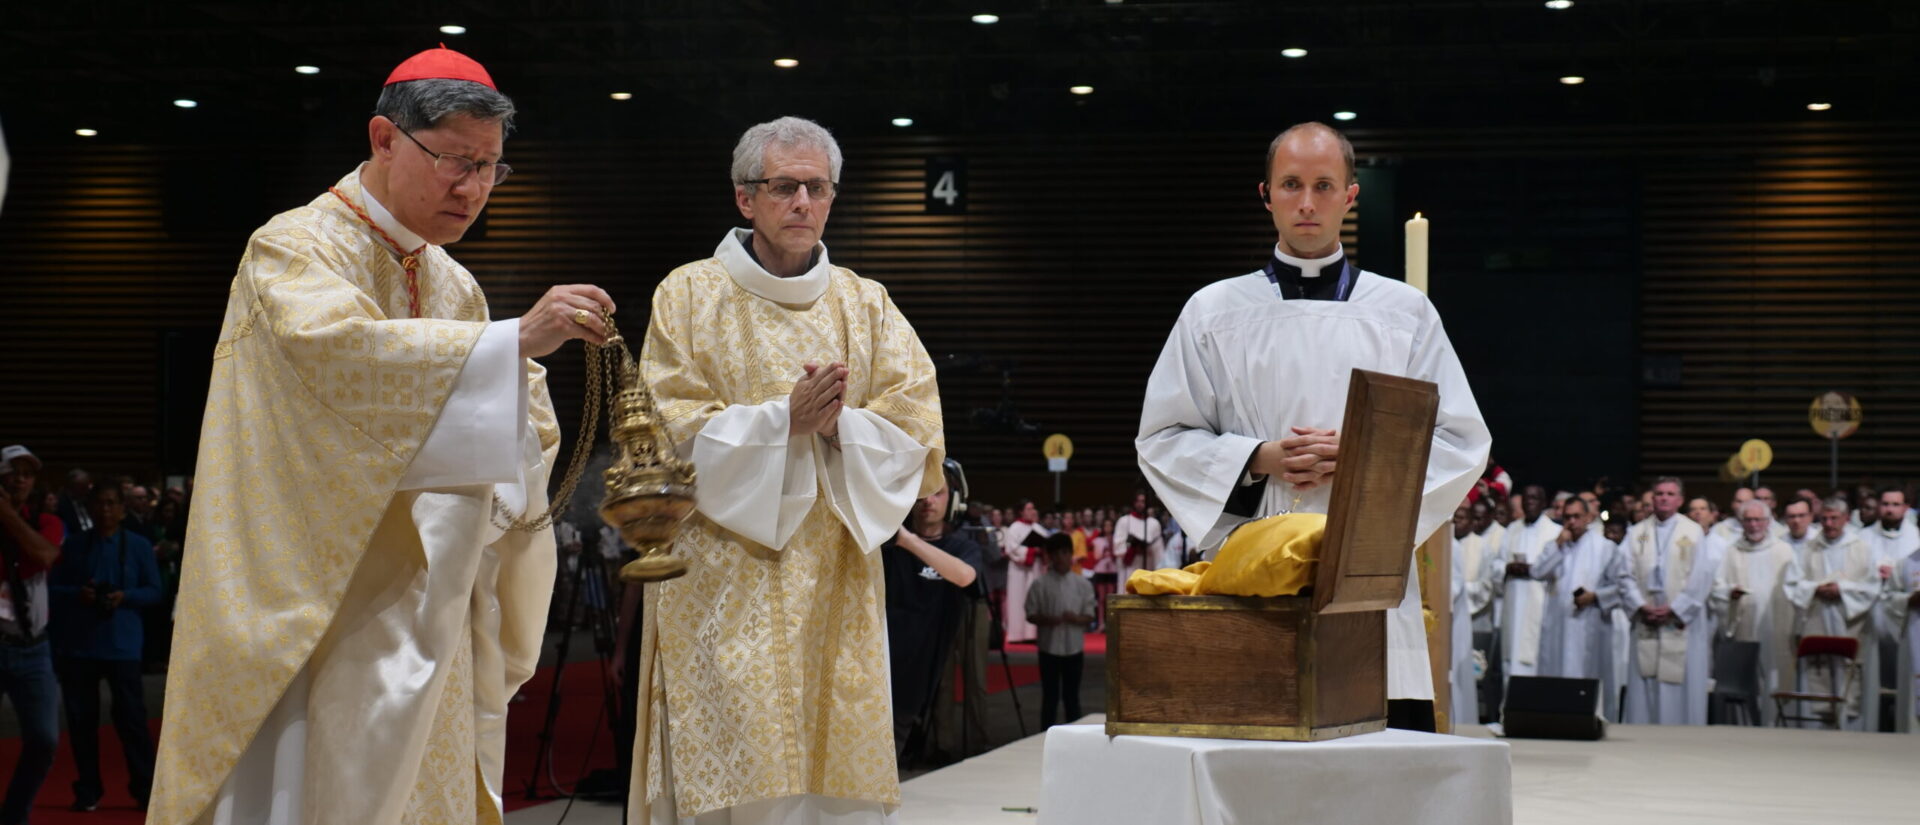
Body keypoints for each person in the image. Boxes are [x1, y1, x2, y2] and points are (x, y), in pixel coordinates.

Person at [147, 47, 594, 825]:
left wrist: (515, 380)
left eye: (492, 168)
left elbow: (519, 419)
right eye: (457, 161)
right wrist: (510, 343)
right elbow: (341, 359)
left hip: (432, 605)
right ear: (385, 139)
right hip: (314, 601)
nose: (475, 188)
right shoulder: (293, 248)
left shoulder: (455, 280)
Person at [632, 115, 944, 823]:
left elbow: (916, 428)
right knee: (740, 769)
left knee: (829, 770)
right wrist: (784, 422)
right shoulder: (687, 295)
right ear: (747, 198)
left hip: (838, 584)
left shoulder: (866, 305)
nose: (803, 202)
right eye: (784, 187)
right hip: (720, 583)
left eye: (817, 187)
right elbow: (663, 431)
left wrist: (840, 426)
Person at [1136, 122, 1491, 731]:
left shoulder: (1403, 312)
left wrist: (1360, 462)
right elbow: (1163, 439)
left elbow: (1460, 442)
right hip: (1255, 562)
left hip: (1366, 568)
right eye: (1291, 185)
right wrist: (1258, 458)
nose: (1306, 203)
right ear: (1266, 194)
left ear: (1350, 196)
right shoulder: (1213, 311)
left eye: (1324, 186)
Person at [49, 483, 163, 810]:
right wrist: (78, 595)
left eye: (112, 504)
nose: (105, 510)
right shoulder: (74, 546)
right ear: (90, 508)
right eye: (99, 504)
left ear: (123, 509)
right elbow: (54, 589)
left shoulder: (139, 546)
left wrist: (125, 597)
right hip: (80, 647)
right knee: (81, 723)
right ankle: (87, 791)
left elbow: (155, 590)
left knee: (132, 721)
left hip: (123, 645)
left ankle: (145, 790)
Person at [882, 480, 985, 760]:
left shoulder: (960, 547)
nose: (928, 500)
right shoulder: (885, 546)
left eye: (937, 493)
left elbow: (965, 576)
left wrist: (907, 540)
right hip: (882, 667)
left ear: (952, 501)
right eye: (921, 493)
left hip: (921, 669)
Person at [1513, 497, 1630, 719]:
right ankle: (1554, 717)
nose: (1572, 522)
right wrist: (1558, 545)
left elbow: (1620, 586)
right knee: (1556, 672)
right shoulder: (1554, 545)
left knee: (1587, 672)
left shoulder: (1605, 547)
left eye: (1577, 516)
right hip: (1558, 623)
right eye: (1567, 517)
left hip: (1590, 622)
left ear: (1588, 518)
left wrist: (1595, 596)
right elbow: (1538, 572)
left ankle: (1592, 718)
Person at [1621, 477, 1719, 725]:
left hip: (1679, 621)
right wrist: (1641, 606)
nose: (1664, 498)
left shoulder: (1692, 532)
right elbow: (1624, 574)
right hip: (1647, 617)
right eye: (1659, 493)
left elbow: (1701, 577)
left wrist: (1675, 609)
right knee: (1645, 680)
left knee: (1678, 681)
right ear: (1652, 499)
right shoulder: (1639, 533)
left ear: (1680, 500)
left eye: (1670, 494)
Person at [1, 444, 63, 825]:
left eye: (28, 472)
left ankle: (14, 816)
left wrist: (5, 513)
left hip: (34, 648)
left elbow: (45, 556)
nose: (21, 478)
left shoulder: (45, 519)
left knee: (44, 740)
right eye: (13, 471)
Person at [1782, 497, 1880, 728]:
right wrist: (1816, 588)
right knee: (1818, 670)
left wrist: (1842, 590)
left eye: (1834, 518)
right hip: (1817, 618)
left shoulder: (1861, 549)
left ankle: (1851, 726)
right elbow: (1793, 584)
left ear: (1846, 519)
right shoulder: (1808, 548)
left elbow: (1872, 587)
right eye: (1824, 518)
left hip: (1849, 620)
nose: (1828, 523)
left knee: (1850, 672)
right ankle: (1816, 724)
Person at [1709, 500, 1796, 723]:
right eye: (1748, 520)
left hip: (1775, 626)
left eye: (1758, 520)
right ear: (1741, 522)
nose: (1754, 525)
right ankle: (1745, 723)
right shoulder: (1732, 551)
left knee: (1773, 674)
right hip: (1743, 623)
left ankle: (1773, 721)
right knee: (1747, 678)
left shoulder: (1784, 550)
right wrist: (1730, 593)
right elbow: (1717, 587)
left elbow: (1796, 588)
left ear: (1768, 522)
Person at [1024, 533, 1096, 728]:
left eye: (1064, 553)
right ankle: (1044, 737)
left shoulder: (1082, 584)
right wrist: (1047, 619)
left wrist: (1075, 618)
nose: (1060, 558)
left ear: (1070, 554)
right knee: (1050, 696)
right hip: (1049, 647)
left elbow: (1090, 615)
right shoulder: (1040, 584)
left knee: (1072, 696)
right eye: (1056, 553)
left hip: (1073, 647)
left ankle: (1073, 738)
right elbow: (1030, 613)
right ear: (1050, 556)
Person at [1500, 485, 1559, 683]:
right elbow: (1495, 564)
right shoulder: (1511, 530)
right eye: (1526, 498)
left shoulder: (1554, 531)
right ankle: (1508, 712)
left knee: (1535, 657)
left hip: (1540, 604)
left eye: (1535, 498)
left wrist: (1533, 569)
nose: (1529, 502)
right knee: (1510, 658)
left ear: (1544, 503)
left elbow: (1558, 570)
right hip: (1513, 601)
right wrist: (1508, 568)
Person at [1448, 504, 1494, 726]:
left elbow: (1485, 584)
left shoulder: (1479, 546)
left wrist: (1464, 591)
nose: (1458, 522)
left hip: (1472, 615)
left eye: (1462, 517)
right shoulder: (1446, 543)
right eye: (1454, 517)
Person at [1002, 500, 1049, 645]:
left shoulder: (1038, 528)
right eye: (1029, 508)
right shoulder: (1014, 528)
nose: (1032, 511)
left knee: (1034, 599)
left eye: (1033, 508)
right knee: (1018, 599)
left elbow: (1047, 545)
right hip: (1019, 571)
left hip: (1035, 569)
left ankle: (1032, 633)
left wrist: (1042, 550)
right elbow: (1011, 549)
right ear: (1021, 512)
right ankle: (1017, 635)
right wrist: (1031, 550)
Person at [1112, 492, 1161, 592]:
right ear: (1134, 503)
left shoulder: (1154, 523)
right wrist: (1133, 547)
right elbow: (1118, 546)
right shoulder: (1124, 521)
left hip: (1148, 565)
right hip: (1130, 566)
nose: (1140, 504)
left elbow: (1159, 550)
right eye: (1138, 501)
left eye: (1143, 501)